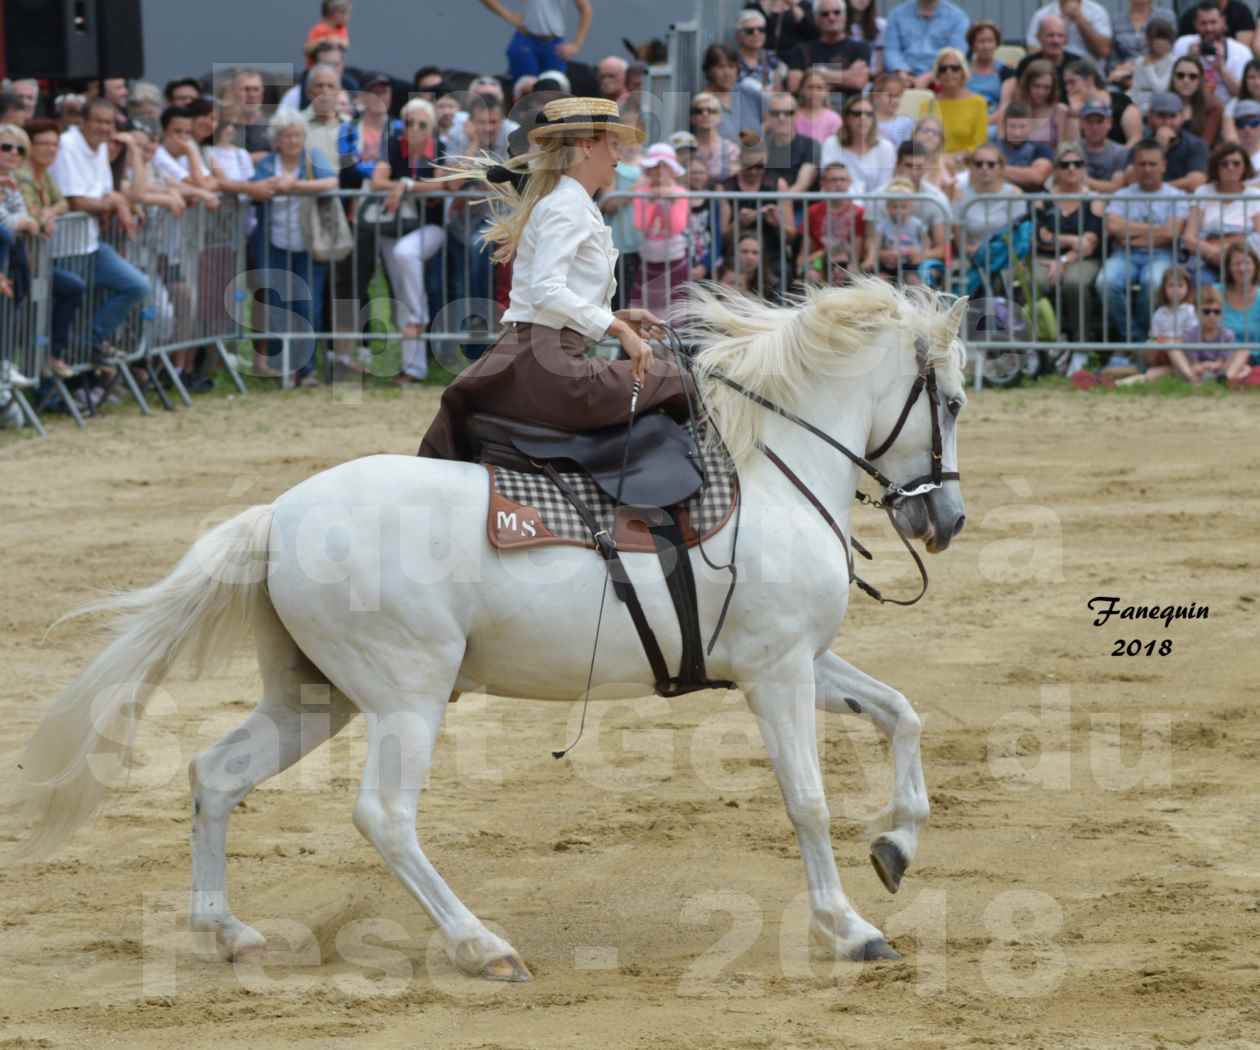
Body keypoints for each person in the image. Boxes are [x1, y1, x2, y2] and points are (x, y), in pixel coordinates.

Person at [417, 96, 691, 462]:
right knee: (683, 383)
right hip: (552, 369)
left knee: (670, 378)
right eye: (612, 143)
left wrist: (619, 318)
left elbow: (551, 296)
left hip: (543, 360)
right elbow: (547, 290)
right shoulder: (565, 206)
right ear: (586, 145)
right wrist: (616, 329)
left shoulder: (572, 204)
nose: (619, 155)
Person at [47, 98, 150, 359]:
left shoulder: (103, 147)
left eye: (109, 122)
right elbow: (75, 201)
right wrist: (112, 205)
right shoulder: (68, 146)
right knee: (65, 316)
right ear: (83, 121)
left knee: (137, 285)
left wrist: (120, 204)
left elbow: (108, 194)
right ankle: (59, 379)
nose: (104, 128)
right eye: (98, 121)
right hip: (62, 249)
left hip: (91, 245)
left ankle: (90, 343)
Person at [249, 110, 339, 384]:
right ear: (276, 140)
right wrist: (270, 186)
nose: (291, 140)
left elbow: (332, 181)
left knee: (307, 305)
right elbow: (254, 186)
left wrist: (296, 185)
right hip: (273, 243)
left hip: (308, 244)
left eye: (297, 135)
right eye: (286, 136)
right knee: (274, 302)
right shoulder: (267, 164)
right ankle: (282, 364)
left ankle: (307, 368)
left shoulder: (314, 160)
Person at [369, 99, 447, 385]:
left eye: (422, 124)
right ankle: (413, 369)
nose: (414, 129)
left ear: (431, 127)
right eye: (409, 123)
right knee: (400, 291)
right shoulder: (393, 145)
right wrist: (401, 184)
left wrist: (408, 185)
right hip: (394, 227)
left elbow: (443, 186)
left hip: (430, 226)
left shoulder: (439, 149)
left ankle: (419, 313)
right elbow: (377, 181)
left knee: (405, 254)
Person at [3, 121, 86, 380]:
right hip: (16, 264)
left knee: (70, 287)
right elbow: (17, 220)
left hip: (25, 263)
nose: (14, 153)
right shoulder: (20, 179)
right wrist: (29, 221)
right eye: (6, 147)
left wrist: (43, 215)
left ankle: (47, 358)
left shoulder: (15, 182)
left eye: (19, 149)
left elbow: (59, 204)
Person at [1097, 138, 1187, 344]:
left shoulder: (1176, 196)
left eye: (1152, 164)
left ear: (1163, 166)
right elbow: (1113, 227)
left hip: (1162, 255)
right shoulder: (1122, 194)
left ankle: (1141, 339)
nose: (1147, 169)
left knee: (1154, 282)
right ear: (1134, 166)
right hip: (1124, 254)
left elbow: (1171, 233)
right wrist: (1156, 231)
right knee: (1106, 282)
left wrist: (1130, 233)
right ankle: (1134, 339)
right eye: (1142, 164)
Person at [1032, 142, 1104, 342]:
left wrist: (1062, 259)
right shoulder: (1042, 198)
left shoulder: (1094, 199)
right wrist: (1073, 239)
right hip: (1044, 258)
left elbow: (1090, 243)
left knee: (1075, 283)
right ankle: (1041, 344)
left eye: (1077, 164)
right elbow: (1040, 239)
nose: (1071, 169)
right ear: (1056, 169)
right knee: (1036, 282)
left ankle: (1081, 342)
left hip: (1081, 259)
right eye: (1064, 165)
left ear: (1084, 168)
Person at [954, 144, 1029, 296]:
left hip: (1006, 258)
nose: (984, 168)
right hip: (973, 259)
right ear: (972, 168)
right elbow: (959, 239)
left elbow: (1020, 236)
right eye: (979, 164)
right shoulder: (960, 195)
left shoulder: (1014, 194)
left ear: (1001, 168)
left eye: (991, 164)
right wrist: (971, 250)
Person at [1182, 142, 1260, 279]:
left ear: (1245, 167)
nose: (1230, 168)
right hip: (1208, 259)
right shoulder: (1203, 192)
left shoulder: (1254, 195)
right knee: (1202, 280)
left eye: (1236, 163)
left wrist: (1229, 253)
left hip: (1245, 262)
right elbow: (1189, 238)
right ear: (1215, 167)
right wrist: (1213, 253)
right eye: (1224, 164)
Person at [631, 143, 690, 313]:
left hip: (675, 257)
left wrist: (669, 202)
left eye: (664, 167)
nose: (659, 172)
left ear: (673, 170)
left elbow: (677, 226)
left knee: (676, 306)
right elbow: (640, 224)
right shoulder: (642, 192)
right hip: (648, 257)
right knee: (647, 306)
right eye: (655, 167)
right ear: (648, 171)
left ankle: (676, 337)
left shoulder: (680, 192)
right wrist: (650, 202)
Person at [479, 0, 593, 79]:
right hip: (526, 41)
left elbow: (585, 9)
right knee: (524, 94)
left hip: (554, 45)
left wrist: (577, 44)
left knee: (553, 95)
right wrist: (509, 16)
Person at [1172, 2, 1250, 106]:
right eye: (1203, 23)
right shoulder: (1183, 44)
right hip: (1192, 107)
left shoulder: (1241, 51)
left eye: (1213, 22)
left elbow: (1243, 96)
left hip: (1228, 109)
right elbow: (1173, 88)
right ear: (1195, 24)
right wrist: (1190, 61)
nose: (1209, 28)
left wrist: (1222, 69)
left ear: (1223, 22)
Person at [784, 2, 870, 96]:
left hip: (848, 109)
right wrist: (846, 76)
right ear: (816, 19)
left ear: (845, 16)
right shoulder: (801, 50)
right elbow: (794, 86)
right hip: (812, 109)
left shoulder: (860, 48)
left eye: (837, 12)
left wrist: (814, 72)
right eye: (825, 14)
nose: (831, 18)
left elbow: (858, 81)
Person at [804, 161, 867, 284]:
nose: (838, 184)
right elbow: (805, 252)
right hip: (820, 262)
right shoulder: (812, 211)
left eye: (842, 179)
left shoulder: (859, 212)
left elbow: (856, 255)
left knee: (850, 270)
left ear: (849, 182)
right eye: (833, 180)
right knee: (811, 274)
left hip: (846, 262)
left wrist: (841, 267)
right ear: (823, 183)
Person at [883, 0, 970, 87]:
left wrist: (930, 76)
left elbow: (957, 53)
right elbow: (891, 50)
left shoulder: (958, 17)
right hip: (902, 79)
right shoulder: (896, 15)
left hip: (942, 78)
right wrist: (901, 71)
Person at [1135, 91, 1208, 191]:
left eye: (1172, 116)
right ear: (1150, 116)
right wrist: (1160, 148)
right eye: (1161, 116)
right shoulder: (1141, 144)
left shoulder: (1196, 144)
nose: (1167, 122)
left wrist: (1157, 190)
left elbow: (1195, 182)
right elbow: (1133, 180)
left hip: (1184, 203)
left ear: (1182, 117)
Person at [821, 94, 896, 192]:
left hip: (875, 204)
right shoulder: (831, 143)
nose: (863, 118)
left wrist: (866, 205)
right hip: (840, 203)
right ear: (846, 118)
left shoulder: (886, 147)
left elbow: (884, 185)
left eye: (869, 114)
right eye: (856, 114)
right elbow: (831, 180)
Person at [922, 48, 988, 158]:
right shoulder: (927, 105)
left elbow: (979, 145)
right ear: (937, 74)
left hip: (966, 165)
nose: (949, 72)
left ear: (963, 72)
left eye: (955, 68)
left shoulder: (978, 103)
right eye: (943, 69)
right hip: (934, 165)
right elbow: (922, 143)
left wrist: (954, 158)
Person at [1063, 60, 1142, 147]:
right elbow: (1071, 148)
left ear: (1089, 80)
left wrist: (1119, 158)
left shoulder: (1121, 102)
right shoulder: (1070, 108)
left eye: (1072, 82)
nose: (1067, 88)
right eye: (1066, 84)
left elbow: (1135, 139)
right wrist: (1074, 115)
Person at [1007, 16, 1081, 105]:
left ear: (1066, 39)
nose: (1055, 41)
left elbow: (1097, 92)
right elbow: (1019, 96)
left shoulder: (1078, 64)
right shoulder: (1027, 63)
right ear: (1039, 37)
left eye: (1060, 36)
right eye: (1050, 35)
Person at [870, 178, 928, 283]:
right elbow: (875, 246)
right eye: (895, 207)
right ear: (887, 207)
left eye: (903, 207)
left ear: (910, 206)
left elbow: (926, 246)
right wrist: (883, 255)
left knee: (914, 281)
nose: (899, 211)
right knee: (879, 281)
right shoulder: (882, 225)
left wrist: (917, 253)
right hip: (889, 265)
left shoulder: (917, 225)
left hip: (910, 266)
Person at [703, 44, 766, 140]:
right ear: (709, 70)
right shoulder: (703, 103)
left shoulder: (749, 92)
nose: (727, 73)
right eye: (721, 67)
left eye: (731, 67)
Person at [1002, 59, 1068, 150]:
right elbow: (1001, 144)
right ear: (1027, 85)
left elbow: (1062, 148)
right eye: (1036, 86)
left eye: (1047, 87)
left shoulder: (1059, 110)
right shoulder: (1014, 108)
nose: (1041, 92)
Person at [763, 91, 821, 192]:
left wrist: (780, 205)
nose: (781, 118)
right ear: (768, 116)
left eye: (788, 113)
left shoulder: (811, 145)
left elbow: (802, 185)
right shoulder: (761, 144)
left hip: (800, 205)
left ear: (796, 115)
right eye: (775, 113)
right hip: (765, 205)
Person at [1026, 0, 1112, 64]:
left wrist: (1079, 19)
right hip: (1051, 74)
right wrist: (1060, 25)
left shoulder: (1097, 12)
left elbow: (1103, 52)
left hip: (1088, 74)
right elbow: (1033, 53)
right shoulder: (1042, 14)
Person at [1110, 1, 1177, 84]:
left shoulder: (1166, 17)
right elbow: (1112, 57)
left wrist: (1138, 66)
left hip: (1158, 73)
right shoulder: (1115, 21)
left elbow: (1168, 51)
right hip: (1123, 76)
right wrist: (1123, 76)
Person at [996, 104, 1054, 191]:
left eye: (1022, 127)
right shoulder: (994, 147)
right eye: (1012, 126)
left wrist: (996, 169)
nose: (1017, 133)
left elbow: (1037, 176)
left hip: (1032, 198)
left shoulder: (1040, 147)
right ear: (1004, 125)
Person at [1168, 55, 1222, 147]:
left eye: (1192, 76)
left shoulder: (1213, 107)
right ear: (1173, 78)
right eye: (1180, 75)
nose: (1186, 80)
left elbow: (1204, 145)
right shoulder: (1162, 103)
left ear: (1200, 80)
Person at [1078, 99, 1130, 191]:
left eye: (1099, 121)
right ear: (1082, 124)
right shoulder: (1073, 149)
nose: (1094, 127)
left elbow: (1116, 187)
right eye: (1089, 122)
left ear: (1109, 123)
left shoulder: (1120, 152)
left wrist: (1084, 181)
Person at [1129, 18, 1178, 115]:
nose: (1162, 43)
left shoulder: (1173, 62)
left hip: (1161, 109)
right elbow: (1135, 89)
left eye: (1165, 39)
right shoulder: (1140, 62)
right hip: (1139, 108)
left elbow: (1160, 90)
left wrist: (1149, 67)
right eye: (1157, 39)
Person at [690, 91, 740, 181]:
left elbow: (733, 180)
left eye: (711, 111)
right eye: (699, 111)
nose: (705, 114)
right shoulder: (685, 148)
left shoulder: (731, 150)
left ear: (719, 118)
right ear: (692, 118)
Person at [1220, 241, 1260, 350]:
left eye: (1247, 263)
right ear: (1228, 268)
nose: (1242, 269)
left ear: (1255, 265)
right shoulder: (1214, 293)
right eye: (1236, 264)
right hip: (1220, 360)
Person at [735, 9, 787, 92]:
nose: (756, 34)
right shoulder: (732, 60)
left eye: (761, 30)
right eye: (749, 31)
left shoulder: (772, 58)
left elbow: (779, 90)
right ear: (738, 35)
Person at [965, 20, 1011, 113]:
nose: (986, 46)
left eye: (990, 41)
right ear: (973, 45)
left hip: (994, 123)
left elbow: (1004, 109)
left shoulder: (1006, 72)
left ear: (996, 44)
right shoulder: (962, 70)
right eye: (981, 41)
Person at [754, 0, 820, 62]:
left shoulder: (805, 5)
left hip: (795, 59)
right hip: (766, 59)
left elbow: (812, 32)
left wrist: (792, 5)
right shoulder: (756, 6)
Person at [794, 68, 842, 143]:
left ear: (826, 91)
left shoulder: (834, 119)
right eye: (810, 87)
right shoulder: (793, 117)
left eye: (819, 88)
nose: (814, 92)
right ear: (802, 90)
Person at [872, 73, 915, 146]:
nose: (894, 100)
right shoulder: (868, 121)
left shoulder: (906, 123)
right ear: (876, 96)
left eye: (898, 96)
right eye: (890, 95)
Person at [304, 0, 352, 67]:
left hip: (337, 70)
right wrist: (325, 40)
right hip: (317, 70)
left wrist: (338, 41)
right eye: (343, 13)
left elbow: (346, 44)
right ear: (331, 13)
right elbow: (307, 49)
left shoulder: (341, 29)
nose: (347, 17)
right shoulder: (319, 29)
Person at [1222, 59, 1260, 141]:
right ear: (1245, 81)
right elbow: (1230, 137)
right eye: (1251, 77)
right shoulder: (1234, 104)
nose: (1257, 82)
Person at [847, 0, 886, 75]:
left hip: (871, 78)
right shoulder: (834, 20)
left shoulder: (880, 25)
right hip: (843, 77)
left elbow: (879, 66)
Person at [1230, 98, 1260, 168]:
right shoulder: (1228, 160)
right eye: (1241, 123)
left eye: (1253, 123)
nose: (1247, 129)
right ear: (1235, 127)